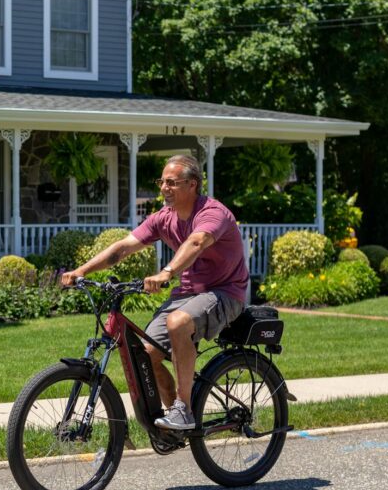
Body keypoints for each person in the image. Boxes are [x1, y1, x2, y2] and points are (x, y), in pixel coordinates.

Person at [61, 154, 249, 430]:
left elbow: (196, 242)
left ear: (192, 184)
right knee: (146, 355)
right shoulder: (164, 218)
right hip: (188, 295)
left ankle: (184, 410)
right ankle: (172, 418)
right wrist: (82, 271)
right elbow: (124, 247)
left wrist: (167, 272)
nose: (163, 188)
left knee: (178, 322)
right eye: (161, 181)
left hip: (225, 292)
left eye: (172, 182)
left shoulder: (212, 213)